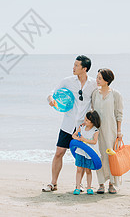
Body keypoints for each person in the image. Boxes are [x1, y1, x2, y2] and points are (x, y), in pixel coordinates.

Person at [42, 55, 97, 192]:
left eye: (77, 65)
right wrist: (51, 99)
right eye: (74, 65)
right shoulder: (67, 81)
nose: (73, 68)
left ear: (84, 68)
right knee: (59, 152)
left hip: (83, 126)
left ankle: (80, 185)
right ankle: (53, 183)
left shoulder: (93, 84)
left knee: (82, 156)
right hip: (67, 123)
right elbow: (52, 93)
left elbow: (96, 103)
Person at [92, 68, 124, 194]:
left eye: (100, 78)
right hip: (96, 129)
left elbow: (119, 114)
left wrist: (119, 131)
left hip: (111, 128)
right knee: (99, 155)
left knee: (111, 155)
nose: (97, 80)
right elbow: (93, 111)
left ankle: (112, 183)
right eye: (97, 77)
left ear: (107, 80)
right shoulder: (95, 93)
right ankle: (101, 184)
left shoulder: (116, 94)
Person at [71, 110, 101, 195]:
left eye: (87, 120)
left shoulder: (95, 130)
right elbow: (74, 135)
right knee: (79, 169)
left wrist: (84, 140)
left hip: (89, 153)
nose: (85, 121)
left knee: (88, 170)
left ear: (93, 122)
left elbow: (94, 142)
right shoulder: (82, 127)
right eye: (85, 119)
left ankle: (89, 187)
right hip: (80, 151)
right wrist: (78, 140)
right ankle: (77, 187)